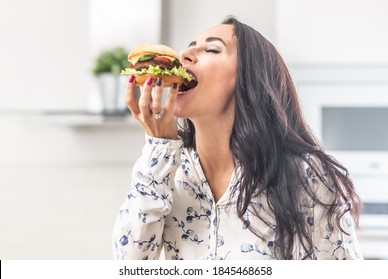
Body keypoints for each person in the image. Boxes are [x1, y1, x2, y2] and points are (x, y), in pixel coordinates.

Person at [112, 16, 363, 260]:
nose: (183, 56)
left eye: (212, 49)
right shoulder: (171, 170)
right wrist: (159, 148)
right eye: (189, 47)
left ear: (248, 75)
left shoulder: (305, 173)